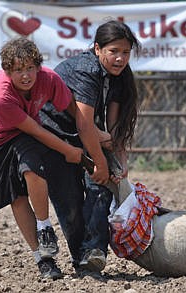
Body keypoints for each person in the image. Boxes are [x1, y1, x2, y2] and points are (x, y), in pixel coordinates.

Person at [0, 37, 84, 279]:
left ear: (38, 66)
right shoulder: (1, 96)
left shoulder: (49, 79)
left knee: (33, 170)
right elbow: (35, 130)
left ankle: (45, 228)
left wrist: (93, 133)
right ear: (7, 71)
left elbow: (74, 110)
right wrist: (69, 150)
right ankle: (42, 259)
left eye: (30, 68)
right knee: (17, 198)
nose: (26, 75)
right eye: (18, 70)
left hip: (24, 133)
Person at [40, 19, 141, 273]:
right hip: (54, 135)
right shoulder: (86, 70)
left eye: (125, 52)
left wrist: (118, 160)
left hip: (85, 133)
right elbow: (85, 125)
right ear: (97, 49)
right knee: (70, 202)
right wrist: (101, 161)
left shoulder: (118, 76)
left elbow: (112, 125)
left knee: (104, 183)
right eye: (113, 51)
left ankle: (94, 251)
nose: (120, 58)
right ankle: (81, 258)